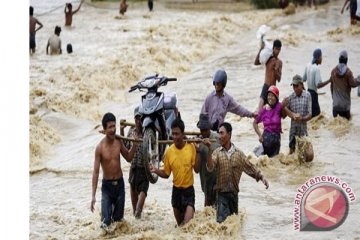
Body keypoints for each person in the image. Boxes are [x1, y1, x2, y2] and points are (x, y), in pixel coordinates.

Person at [205, 122, 269, 223]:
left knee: (233, 226)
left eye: (222, 133)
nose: (219, 136)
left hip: (234, 196)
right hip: (221, 195)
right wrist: (209, 149)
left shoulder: (238, 154)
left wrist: (262, 178)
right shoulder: (216, 153)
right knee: (222, 226)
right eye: (218, 133)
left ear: (229, 134)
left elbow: (250, 167)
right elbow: (210, 167)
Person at [91, 113, 138, 229]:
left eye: (114, 126)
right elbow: (96, 172)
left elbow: (128, 157)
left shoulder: (118, 141)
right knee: (105, 223)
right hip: (107, 188)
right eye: (110, 127)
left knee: (118, 222)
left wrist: (135, 145)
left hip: (120, 186)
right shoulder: (100, 148)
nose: (112, 130)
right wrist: (93, 196)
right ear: (104, 129)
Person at [150, 118, 200, 226]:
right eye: (173, 134)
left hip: (189, 192)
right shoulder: (169, 152)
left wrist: (198, 151)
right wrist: (156, 170)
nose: (175, 137)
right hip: (176, 192)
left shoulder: (191, 147)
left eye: (177, 134)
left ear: (182, 134)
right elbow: (166, 174)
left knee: (187, 226)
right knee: (180, 227)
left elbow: (196, 170)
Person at [120, 107, 149, 219]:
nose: (138, 122)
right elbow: (125, 146)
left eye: (141, 119)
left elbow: (155, 150)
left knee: (138, 210)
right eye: (136, 119)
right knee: (134, 212)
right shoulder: (131, 131)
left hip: (145, 171)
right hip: (133, 169)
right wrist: (122, 130)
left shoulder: (148, 133)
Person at [283, 75, 313, 161]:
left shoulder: (307, 96)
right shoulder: (291, 97)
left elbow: (310, 114)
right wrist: (289, 112)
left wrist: (302, 119)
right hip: (293, 131)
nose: (295, 88)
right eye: (293, 86)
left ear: (301, 85)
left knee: (309, 156)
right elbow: (284, 112)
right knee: (291, 156)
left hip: (303, 131)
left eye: (296, 86)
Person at [196, 113, 220, 207]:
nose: (203, 132)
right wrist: (197, 150)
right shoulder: (198, 143)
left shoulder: (218, 139)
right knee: (208, 205)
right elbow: (196, 169)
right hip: (206, 179)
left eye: (205, 130)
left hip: (218, 178)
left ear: (209, 128)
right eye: (202, 130)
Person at [253, 86, 283, 158]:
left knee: (274, 163)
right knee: (264, 161)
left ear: (276, 97)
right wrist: (260, 135)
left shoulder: (280, 106)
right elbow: (254, 123)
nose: (270, 97)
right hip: (266, 139)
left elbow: (286, 114)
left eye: (272, 96)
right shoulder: (264, 109)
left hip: (276, 140)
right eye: (269, 95)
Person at [329, 50, 360, 120]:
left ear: (339, 60)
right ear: (346, 60)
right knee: (346, 128)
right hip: (345, 106)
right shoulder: (348, 72)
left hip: (335, 106)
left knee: (336, 128)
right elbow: (353, 84)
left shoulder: (333, 71)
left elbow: (331, 87)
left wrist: (334, 99)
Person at [254, 39, 283, 111]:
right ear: (273, 48)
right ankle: (256, 121)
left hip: (273, 89)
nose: (277, 51)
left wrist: (276, 70)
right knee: (260, 110)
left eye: (279, 49)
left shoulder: (279, 62)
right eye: (276, 49)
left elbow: (279, 79)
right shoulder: (268, 59)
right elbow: (256, 62)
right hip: (266, 86)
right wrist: (261, 49)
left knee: (273, 111)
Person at [303, 48, 331, 118]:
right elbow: (318, 85)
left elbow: (303, 79)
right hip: (314, 95)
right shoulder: (316, 69)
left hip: (308, 93)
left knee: (311, 115)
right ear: (318, 58)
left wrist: (304, 90)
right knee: (317, 116)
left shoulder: (308, 65)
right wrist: (329, 80)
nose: (322, 59)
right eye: (321, 57)